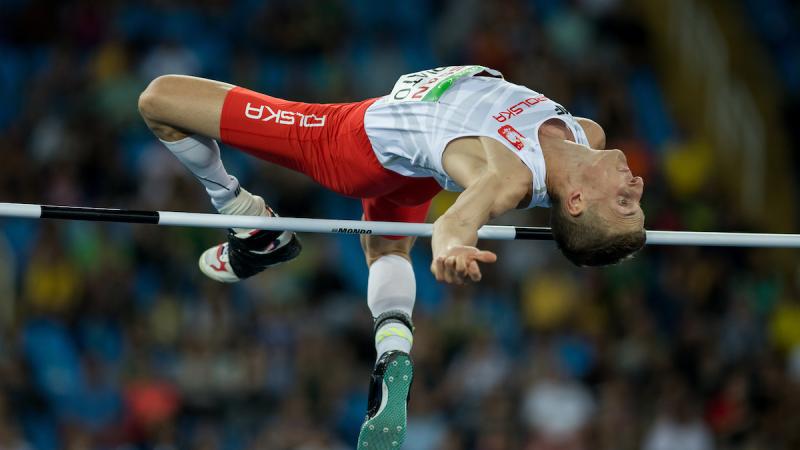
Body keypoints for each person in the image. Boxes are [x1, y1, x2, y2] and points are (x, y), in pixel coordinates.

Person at [137, 65, 645, 448]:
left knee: (160, 99)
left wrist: (451, 246)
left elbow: (459, 218)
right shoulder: (586, 134)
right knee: (385, 243)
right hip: (419, 158)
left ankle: (244, 216)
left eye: (626, 203)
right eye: (636, 201)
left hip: (356, 145)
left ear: (576, 202)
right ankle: (391, 353)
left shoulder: (508, 176)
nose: (637, 185)